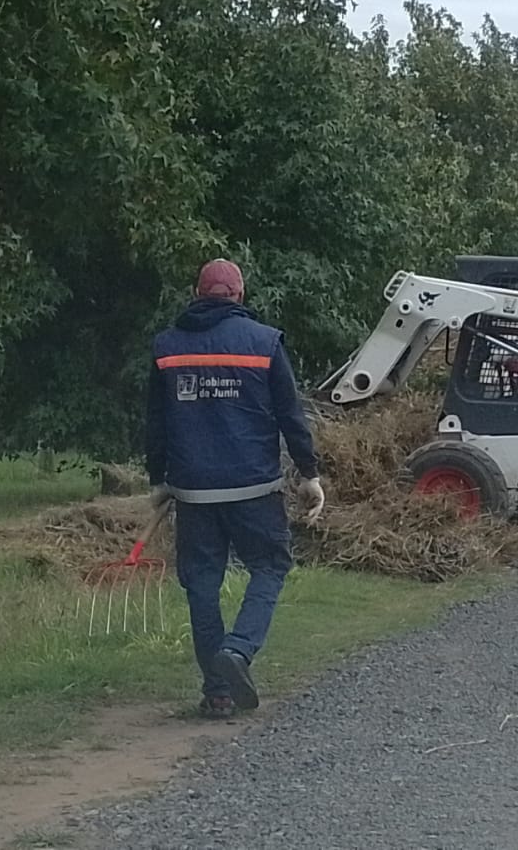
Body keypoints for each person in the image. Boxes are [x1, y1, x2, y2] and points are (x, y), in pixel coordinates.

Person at [144, 259, 326, 719]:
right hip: (254, 488)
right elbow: (290, 415)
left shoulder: (167, 347)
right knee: (270, 566)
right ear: (240, 296)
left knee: (202, 584)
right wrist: (309, 473)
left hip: (194, 493)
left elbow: (156, 422)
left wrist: (158, 479)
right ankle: (239, 649)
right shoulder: (264, 343)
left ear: (197, 293)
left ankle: (219, 693)